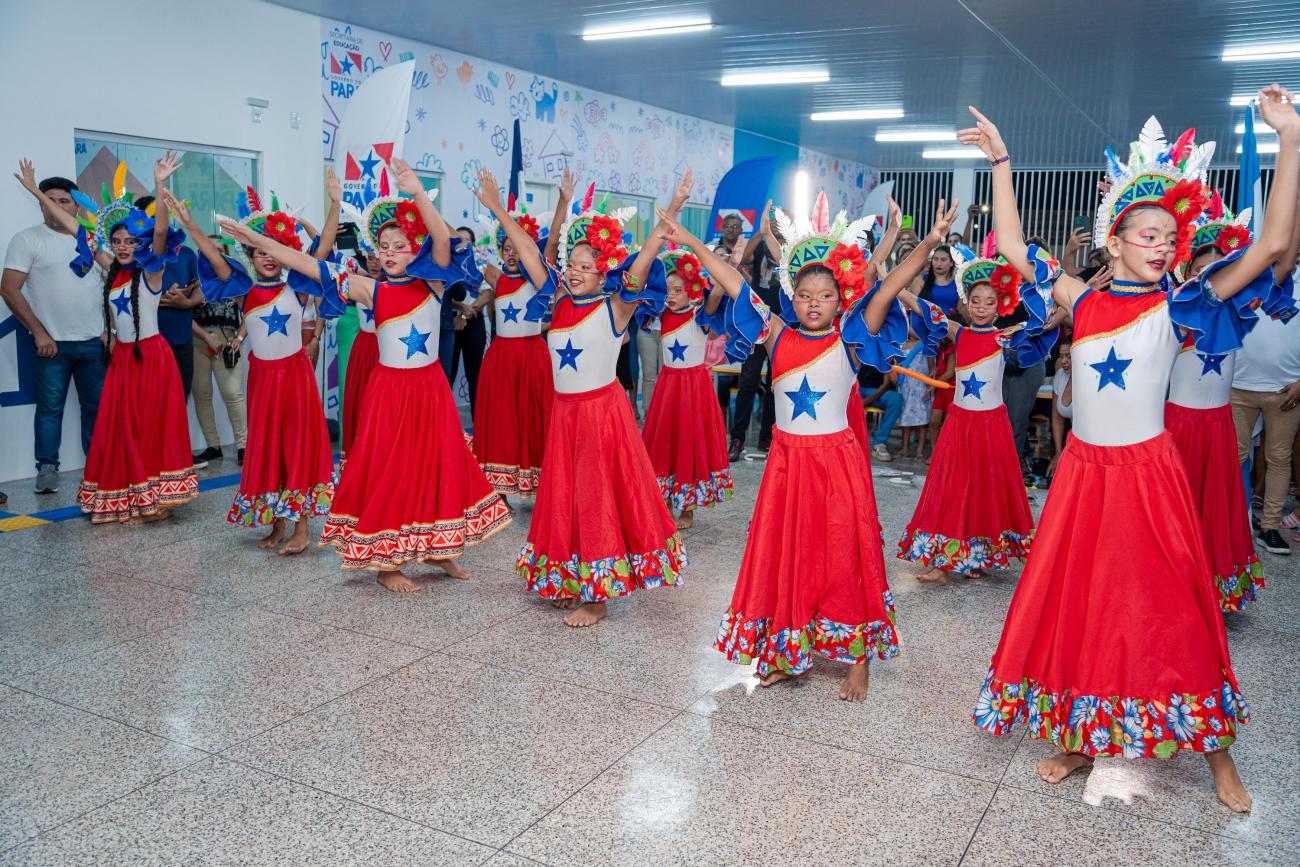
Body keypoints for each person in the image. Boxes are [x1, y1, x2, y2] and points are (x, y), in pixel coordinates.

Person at [962, 92, 1300, 813]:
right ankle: (1083, 737)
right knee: (1081, 603)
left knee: (1175, 608)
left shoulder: (1179, 304)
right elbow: (1014, 247)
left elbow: (1272, 245)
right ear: (1113, 242)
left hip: (1147, 475)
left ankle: (1218, 752)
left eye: (1169, 236)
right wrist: (1001, 160)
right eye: (1147, 233)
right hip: (1083, 476)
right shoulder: (1082, 301)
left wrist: (1292, 137)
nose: (1161, 244)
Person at [673, 194, 957, 701]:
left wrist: (929, 243)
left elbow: (890, 285)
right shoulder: (775, 334)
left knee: (844, 554)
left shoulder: (850, 337)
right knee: (789, 555)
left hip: (836, 464)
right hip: (786, 465)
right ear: (792, 296)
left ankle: (858, 658)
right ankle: (790, 651)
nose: (813, 303)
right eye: (804, 294)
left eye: (825, 295)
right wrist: (692, 241)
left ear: (839, 299)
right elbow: (733, 281)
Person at [230, 158, 508, 590]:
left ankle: (438, 547)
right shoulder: (369, 288)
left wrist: (417, 193)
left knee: (436, 465)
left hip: (430, 389)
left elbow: (442, 239)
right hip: (390, 391)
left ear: (415, 250)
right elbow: (306, 265)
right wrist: (254, 239)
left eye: (400, 245)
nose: (390, 252)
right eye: (384, 246)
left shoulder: (432, 284)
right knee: (391, 470)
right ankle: (386, 564)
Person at [489, 172, 683, 628]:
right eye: (571, 264)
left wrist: (670, 215)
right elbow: (531, 253)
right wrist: (497, 208)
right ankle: (569, 577)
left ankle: (598, 596)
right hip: (564, 414)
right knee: (565, 496)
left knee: (596, 498)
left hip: (600, 415)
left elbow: (642, 263)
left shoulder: (616, 306)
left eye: (585, 266)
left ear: (604, 271)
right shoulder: (558, 300)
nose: (574, 272)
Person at [17, 155, 197, 522]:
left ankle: (155, 496)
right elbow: (75, 228)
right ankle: (133, 493)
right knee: (123, 428)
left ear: (140, 243)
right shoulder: (112, 270)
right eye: (117, 241)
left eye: (130, 241)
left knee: (150, 426)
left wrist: (160, 186)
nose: (123, 246)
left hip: (152, 359)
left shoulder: (151, 273)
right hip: (122, 360)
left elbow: (160, 234)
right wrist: (35, 191)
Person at [175, 180, 337, 556]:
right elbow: (215, 261)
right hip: (262, 380)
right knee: (269, 447)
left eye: (273, 251)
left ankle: (301, 527)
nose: (267, 258)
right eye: (260, 251)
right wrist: (190, 225)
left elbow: (323, 250)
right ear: (250, 253)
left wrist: (334, 203)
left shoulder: (298, 286)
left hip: (295, 379)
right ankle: (277, 522)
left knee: (296, 446)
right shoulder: (244, 290)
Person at [1166, 195, 1297, 607]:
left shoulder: (1238, 311)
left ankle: (1209, 587)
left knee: (1216, 509)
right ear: (1186, 274)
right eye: (1199, 270)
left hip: (1219, 426)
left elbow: (1281, 263)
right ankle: (1170, 583)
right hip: (1177, 428)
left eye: (1218, 270)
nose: (1209, 278)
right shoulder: (1173, 314)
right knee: (1175, 509)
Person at [895, 251, 1051, 582]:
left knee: (984, 490)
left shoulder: (1004, 337)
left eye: (989, 302)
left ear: (1000, 306)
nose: (981, 308)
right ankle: (941, 564)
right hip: (959, 424)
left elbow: (1046, 320)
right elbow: (924, 309)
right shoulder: (960, 333)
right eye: (975, 301)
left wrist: (1067, 294)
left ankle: (976, 557)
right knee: (951, 488)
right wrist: (893, 283)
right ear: (966, 303)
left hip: (991, 426)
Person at [2, 172, 107, 494]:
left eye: (65, 201)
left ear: (76, 207)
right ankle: (46, 469)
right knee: (50, 410)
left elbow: (112, 285)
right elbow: (9, 288)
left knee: (96, 409)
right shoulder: (27, 239)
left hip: (94, 343)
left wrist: (109, 329)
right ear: (41, 204)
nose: (58, 206)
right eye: (51, 201)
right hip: (53, 345)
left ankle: (98, 469)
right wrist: (38, 332)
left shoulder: (93, 241)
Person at [640, 179, 733, 531]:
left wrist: (729, 266)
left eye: (678, 290)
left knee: (690, 444)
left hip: (694, 388)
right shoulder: (660, 314)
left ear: (691, 289)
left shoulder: (698, 313)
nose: (671, 295)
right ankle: (664, 499)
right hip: (669, 386)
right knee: (665, 442)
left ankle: (687, 508)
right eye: (668, 289)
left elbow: (717, 292)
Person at [465, 206, 559, 507]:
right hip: (502, 360)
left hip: (532, 357)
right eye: (507, 249)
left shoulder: (537, 279)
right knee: (502, 422)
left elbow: (553, 242)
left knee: (534, 419)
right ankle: (499, 489)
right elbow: (461, 248)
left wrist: (562, 203)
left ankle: (542, 485)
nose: (511, 254)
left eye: (517, 249)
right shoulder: (495, 277)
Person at [1230, 193, 1300, 557]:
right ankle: (1233, 520)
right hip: (1237, 389)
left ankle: (1270, 526)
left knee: (1278, 459)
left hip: (1285, 392)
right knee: (1234, 457)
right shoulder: (1244, 280)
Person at [136, 195, 202, 409]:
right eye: (151, 218)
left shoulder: (186, 253)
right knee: (149, 405)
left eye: (161, 217)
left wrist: (187, 303)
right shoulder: (134, 256)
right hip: (145, 344)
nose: (159, 224)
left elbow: (201, 288)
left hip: (182, 341)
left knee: (180, 401)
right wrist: (157, 300)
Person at [726, 202, 781, 460]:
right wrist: (762, 230)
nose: (777, 224)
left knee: (775, 383)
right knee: (748, 380)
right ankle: (737, 439)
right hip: (758, 320)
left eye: (781, 221)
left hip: (782, 323)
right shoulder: (760, 244)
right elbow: (744, 259)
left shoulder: (790, 248)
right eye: (775, 220)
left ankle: (767, 438)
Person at [191, 248, 247, 467]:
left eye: (218, 252)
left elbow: (251, 311)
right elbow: (183, 314)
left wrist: (240, 337)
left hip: (227, 343)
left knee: (233, 393)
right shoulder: (195, 282)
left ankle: (243, 446)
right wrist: (206, 337)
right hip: (198, 341)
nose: (213, 257)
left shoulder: (238, 283)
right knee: (201, 393)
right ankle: (213, 446)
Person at [896, 329, 934, 458]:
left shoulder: (926, 345)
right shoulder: (901, 345)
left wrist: (930, 387)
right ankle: (905, 447)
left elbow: (932, 368)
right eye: (914, 326)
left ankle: (920, 450)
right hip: (905, 386)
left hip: (920, 387)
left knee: (921, 419)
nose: (917, 329)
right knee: (904, 416)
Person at [859, 364, 903, 462]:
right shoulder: (855, 353)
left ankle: (879, 442)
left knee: (896, 400)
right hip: (855, 387)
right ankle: (843, 440)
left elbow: (886, 384)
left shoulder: (885, 355)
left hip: (877, 391)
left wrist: (865, 401)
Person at [1046, 341, 1072, 480]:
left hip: (1089, 442)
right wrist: (1058, 453)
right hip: (1071, 441)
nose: (1063, 361)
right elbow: (1057, 418)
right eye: (1061, 356)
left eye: (1069, 356)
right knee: (1053, 478)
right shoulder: (1060, 376)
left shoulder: (1089, 378)